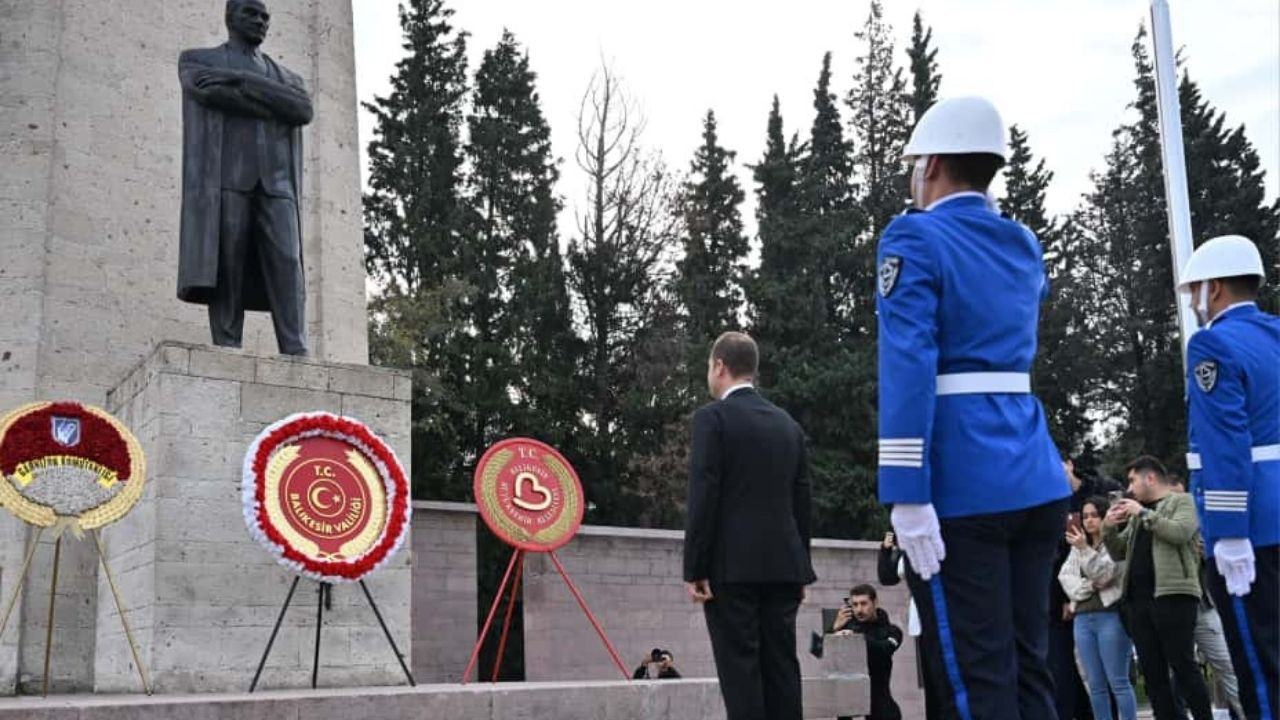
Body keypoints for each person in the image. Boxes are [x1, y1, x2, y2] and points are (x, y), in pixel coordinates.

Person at [875, 95, 1071, 720]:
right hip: (1033, 475)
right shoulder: (1021, 243)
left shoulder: (913, 234)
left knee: (974, 684)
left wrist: (905, 489)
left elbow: (909, 365)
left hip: (963, 484)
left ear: (929, 164)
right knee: (1030, 672)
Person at [684, 331, 816, 720]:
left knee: (741, 672)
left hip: (732, 569)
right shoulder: (787, 425)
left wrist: (695, 567)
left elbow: (704, 495)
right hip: (783, 567)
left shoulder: (713, 419)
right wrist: (802, 568)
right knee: (782, 668)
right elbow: (801, 502)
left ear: (720, 366)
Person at [1179, 234, 1279, 719]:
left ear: (1212, 288)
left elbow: (1224, 445)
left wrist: (1230, 532)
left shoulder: (1211, 344)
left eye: (1194, 291)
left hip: (1251, 526)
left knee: (1261, 664)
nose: (1193, 304)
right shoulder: (1275, 334)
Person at [178, 0, 313, 355]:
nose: (260, 21)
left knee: (288, 262)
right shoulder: (199, 60)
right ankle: (227, 347)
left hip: (278, 185)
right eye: (250, 14)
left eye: (265, 16)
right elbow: (208, 93)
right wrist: (272, 104)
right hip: (227, 180)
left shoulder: (289, 78)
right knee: (228, 264)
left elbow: (301, 109)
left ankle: (296, 349)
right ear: (230, 18)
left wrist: (239, 80)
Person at [1102, 456, 1214, 720]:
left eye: (1132, 480)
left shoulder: (1181, 501)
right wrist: (1108, 527)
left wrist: (1141, 513)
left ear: (1149, 477)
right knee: (1153, 674)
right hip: (1138, 601)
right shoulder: (1139, 512)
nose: (1129, 488)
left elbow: (1180, 532)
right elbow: (1118, 551)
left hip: (1173, 596)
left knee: (1184, 666)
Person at [1169, 475, 1247, 719]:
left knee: (1226, 665)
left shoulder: (1203, 523)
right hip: (1174, 605)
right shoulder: (1159, 523)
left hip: (1203, 604)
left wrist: (1207, 553)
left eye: (1183, 497)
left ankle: (1249, 713)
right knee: (1179, 671)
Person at [1058, 496, 1140, 720]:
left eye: (1094, 515)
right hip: (1082, 618)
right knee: (1094, 684)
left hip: (1109, 616)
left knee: (1118, 681)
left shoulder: (1113, 542)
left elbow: (1106, 574)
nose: (1088, 520)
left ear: (1104, 516)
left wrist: (1085, 551)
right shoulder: (1078, 546)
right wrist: (1088, 586)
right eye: (1085, 516)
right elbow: (1065, 577)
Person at [878, 531, 950, 720]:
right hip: (923, 619)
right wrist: (886, 550)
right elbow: (887, 577)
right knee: (933, 683)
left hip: (949, 614)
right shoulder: (904, 545)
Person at [828, 584, 903, 720]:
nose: (859, 609)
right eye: (855, 604)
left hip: (881, 704)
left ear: (875, 603)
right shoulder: (845, 629)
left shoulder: (891, 631)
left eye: (864, 603)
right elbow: (817, 651)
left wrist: (856, 637)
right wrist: (833, 629)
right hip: (847, 706)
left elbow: (885, 649)